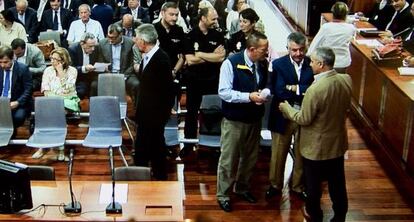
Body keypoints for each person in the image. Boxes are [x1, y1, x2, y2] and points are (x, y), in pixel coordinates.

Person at [279, 47, 352, 222]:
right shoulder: (346, 79)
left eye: (312, 62)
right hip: (337, 144)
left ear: (321, 64)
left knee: (313, 186)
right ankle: (340, 216)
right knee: (338, 184)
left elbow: (304, 118)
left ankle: (314, 214)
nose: (310, 64)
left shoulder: (315, 89)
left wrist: (287, 108)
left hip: (316, 148)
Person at [216, 31, 269, 212]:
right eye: (263, 49)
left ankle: (242, 188)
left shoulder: (261, 63)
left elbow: (264, 83)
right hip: (234, 121)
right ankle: (223, 194)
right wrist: (249, 97)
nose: (266, 52)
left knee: (250, 158)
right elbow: (224, 92)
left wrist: (264, 93)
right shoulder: (230, 64)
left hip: (254, 120)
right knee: (229, 160)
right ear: (252, 49)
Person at [265, 32, 314, 201]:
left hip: (305, 115)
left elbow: (314, 89)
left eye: (301, 50)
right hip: (282, 115)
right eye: (294, 50)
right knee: (279, 153)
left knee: (302, 153)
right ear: (287, 48)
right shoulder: (278, 64)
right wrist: (302, 89)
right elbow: (279, 90)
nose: (298, 54)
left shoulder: (312, 64)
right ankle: (275, 185)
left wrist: (294, 88)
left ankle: (297, 186)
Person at [182, 7, 226, 156]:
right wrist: (211, 55)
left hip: (214, 79)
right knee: (191, 112)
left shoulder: (218, 35)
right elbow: (190, 60)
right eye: (213, 18)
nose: (216, 21)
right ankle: (189, 143)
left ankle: (213, 145)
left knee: (213, 111)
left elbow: (221, 57)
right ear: (203, 18)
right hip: (194, 80)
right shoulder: (190, 35)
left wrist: (200, 54)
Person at [133, 24, 174, 180]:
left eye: (137, 39)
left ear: (143, 41)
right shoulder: (148, 57)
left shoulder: (161, 59)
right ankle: (141, 176)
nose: (135, 42)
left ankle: (159, 179)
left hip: (155, 116)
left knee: (156, 148)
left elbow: (167, 90)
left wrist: (162, 116)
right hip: (145, 113)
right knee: (143, 148)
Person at [33, 47, 80, 161]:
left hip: (68, 102)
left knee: (57, 114)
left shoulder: (72, 71)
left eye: (55, 59)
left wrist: (61, 73)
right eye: (51, 58)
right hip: (52, 102)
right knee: (48, 114)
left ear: (63, 61)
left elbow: (69, 89)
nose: (52, 61)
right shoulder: (47, 70)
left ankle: (54, 149)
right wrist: (55, 99)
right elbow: (45, 89)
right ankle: (51, 148)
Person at [94, 24, 140, 102]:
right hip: (108, 73)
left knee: (136, 84)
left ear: (120, 35)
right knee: (94, 85)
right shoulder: (102, 43)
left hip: (125, 73)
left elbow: (132, 63)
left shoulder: (130, 43)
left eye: (113, 38)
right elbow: (100, 61)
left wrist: (124, 76)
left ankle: (136, 110)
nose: (110, 40)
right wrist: (105, 70)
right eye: (108, 37)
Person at [307, 2, 356, 73]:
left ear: (333, 14)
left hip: (327, 64)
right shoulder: (351, 28)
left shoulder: (326, 27)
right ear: (346, 15)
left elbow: (312, 48)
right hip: (343, 64)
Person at [154, 2, 186, 100]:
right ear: (163, 13)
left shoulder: (179, 30)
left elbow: (182, 56)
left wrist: (174, 71)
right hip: (156, 71)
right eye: (171, 14)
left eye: (176, 15)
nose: (174, 18)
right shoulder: (153, 29)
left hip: (173, 71)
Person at [0, 45, 32, 134]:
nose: (2, 65)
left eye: (5, 62)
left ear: (13, 58)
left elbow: (28, 90)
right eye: (0, 62)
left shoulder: (23, 69)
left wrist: (17, 102)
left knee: (17, 117)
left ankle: (9, 134)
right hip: (1, 102)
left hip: (17, 103)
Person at [68, 32, 99, 99]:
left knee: (98, 85)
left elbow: (98, 62)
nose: (93, 49)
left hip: (92, 75)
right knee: (81, 90)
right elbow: (70, 68)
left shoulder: (95, 49)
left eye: (94, 46)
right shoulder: (73, 49)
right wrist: (84, 68)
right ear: (82, 44)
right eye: (90, 46)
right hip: (79, 77)